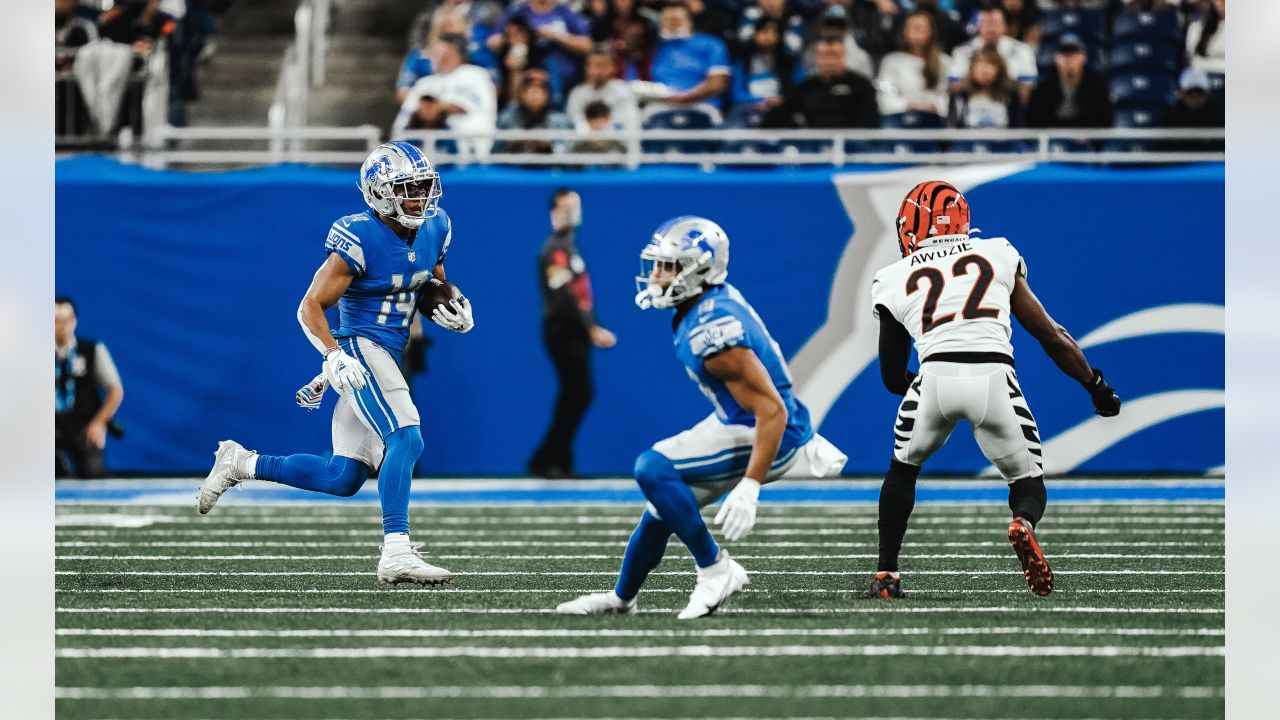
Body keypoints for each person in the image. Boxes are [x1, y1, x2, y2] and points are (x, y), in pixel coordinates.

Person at [197, 141, 476, 586]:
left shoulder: (436, 226)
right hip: (361, 349)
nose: (420, 198)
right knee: (406, 438)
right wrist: (333, 356)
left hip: (388, 352)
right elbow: (310, 307)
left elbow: (429, 281)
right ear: (380, 194)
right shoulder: (359, 237)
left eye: (424, 187)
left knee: (342, 477)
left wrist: (452, 305)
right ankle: (397, 552)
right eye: (408, 189)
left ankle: (241, 463)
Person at [555, 216, 847, 619]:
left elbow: (772, 409)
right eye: (656, 264)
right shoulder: (703, 306)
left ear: (700, 271)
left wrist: (749, 486)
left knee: (652, 469)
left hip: (770, 430)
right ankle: (622, 600)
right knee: (663, 504)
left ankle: (715, 569)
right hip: (745, 419)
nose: (656, 275)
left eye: (668, 266)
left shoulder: (712, 330)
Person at [863, 180, 1121, 600]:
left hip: (935, 376)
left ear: (912, 225)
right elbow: (1051, 335)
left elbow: (891, 376)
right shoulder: (996, 252)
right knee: (1027, 481)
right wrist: (1095, 385)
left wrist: (922, 388)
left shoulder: (893, 277)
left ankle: (886, 574)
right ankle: (1023, 523)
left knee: (903, 469)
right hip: (995, 377)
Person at [528, 189, 618, 479]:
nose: (572, 213)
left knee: (575, 395)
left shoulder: (569, 247)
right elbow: (565, 296)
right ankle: (549, 458)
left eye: (575, 207)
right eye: (566, 208)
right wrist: (591, 328)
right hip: (563, 330)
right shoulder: (555, 248)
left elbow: (581, 296)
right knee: (577, 393)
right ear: (554, 212)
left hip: (573, 331)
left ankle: (554, 458)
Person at [391, 34, 498, 159]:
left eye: (439, 52)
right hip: (417, 157)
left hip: (466, 156)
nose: (433, 57)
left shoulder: (475, 74)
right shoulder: (424, 83)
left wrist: (436, 108)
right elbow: (407, 115)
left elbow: (460, 107)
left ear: (453, 52)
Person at [55, 297, 125, 479]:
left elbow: (115, 391)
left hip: (83, 427)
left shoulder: (92, 350)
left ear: (74, 322)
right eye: (55, 321)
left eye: (65, 321)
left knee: (92, 472)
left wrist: (99, 422)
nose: (60, 326)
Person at [762, 37, 880, 129]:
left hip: (853, 150)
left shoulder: (862, 85)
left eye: (835, 56)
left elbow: (870, 122)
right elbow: (783, 113)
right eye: (825, 56)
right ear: (817, 58)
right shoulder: (807, 87)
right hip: (814, 149)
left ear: (844, 57)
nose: (830, 61)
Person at [649, 1, 731, 110]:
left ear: (690, 21)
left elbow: (718, 83)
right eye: (667, 20)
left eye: (676, 20)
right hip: (660, 105)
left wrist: (685, 98)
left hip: (703, 105)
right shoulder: (652, 47)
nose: (672, 24)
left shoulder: (712, 44)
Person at [947, 5, 1038, 103]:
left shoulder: (1022, 50)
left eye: (995, 23)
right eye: (985, 23)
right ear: (978, 26)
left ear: (1005, 26)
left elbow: (1029, 84)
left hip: (1010, 105)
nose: (990, 28)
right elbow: (954, 84)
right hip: (971, 105)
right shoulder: (962, 51)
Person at [1025, 32, 1111, 128]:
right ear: (1056, 58)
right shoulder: (1043, 89)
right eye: (1064, 54)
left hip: (1087, 140)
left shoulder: (1097, 87)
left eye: (1073, 53)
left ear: (1083, 57)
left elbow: (1105, 123)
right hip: (1052, 140)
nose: (1068, 59)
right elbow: (1034, 123)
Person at [875, 9, 950, 117]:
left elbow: (948, 97)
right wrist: (908, 106)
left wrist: (934, 106)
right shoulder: (891, 61)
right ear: (904, 32)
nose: (917, 32)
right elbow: (885, 96)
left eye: (921, 28)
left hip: (936, 121)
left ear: (931, 32)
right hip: (900, 119)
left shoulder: (944, 62)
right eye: (913, 28)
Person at [495, 70, 573, 154]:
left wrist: (550, 145)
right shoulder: (507, 119)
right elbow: (494, 152)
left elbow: (570, 153)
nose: (534, 94)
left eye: (540, 89)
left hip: (549, 166)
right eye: (529, 89)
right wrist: (513, 142)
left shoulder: (560, 122)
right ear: (521, 94)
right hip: (514, 166)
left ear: (548, 95)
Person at [565, 45, 640, 131]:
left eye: (601, 66)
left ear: (614, 67)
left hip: (618, 142)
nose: (595, 71)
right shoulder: (577, 94)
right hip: (586, 142)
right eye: (591, 65)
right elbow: (576, 122)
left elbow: (624, 126)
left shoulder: (623, 92)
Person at [948, 46, 1023, 129]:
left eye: (990, 64)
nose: (984, 70)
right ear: (972, 68)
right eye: (980, 63)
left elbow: (1017, 129)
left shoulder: (1011, 95)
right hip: (969, 140)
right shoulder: (961, 94)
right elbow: (953, 128)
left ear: (1000, 69)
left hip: (1003, 140)